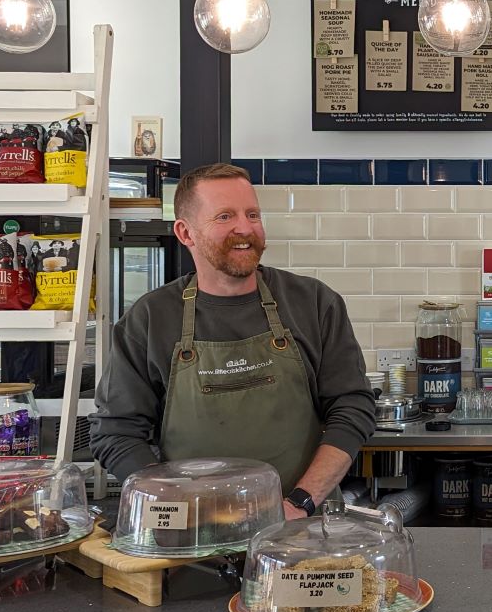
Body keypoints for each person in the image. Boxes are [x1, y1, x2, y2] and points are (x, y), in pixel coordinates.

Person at [89, 163, 376, 520]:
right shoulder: (150, 318)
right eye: (225, 216)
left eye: (252, 214)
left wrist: (301, 501)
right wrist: (179, 507)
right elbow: (115, 433)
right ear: (185, 233)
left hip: (303, 529)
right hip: (191, 539)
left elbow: (353, 409)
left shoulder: (314, 303)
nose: (245, 228)